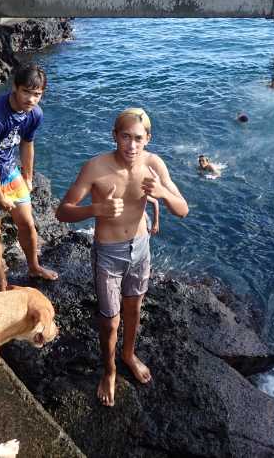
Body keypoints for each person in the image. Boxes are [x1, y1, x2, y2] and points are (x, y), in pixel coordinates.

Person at [55, 108, 188, 406]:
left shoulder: (154, 165)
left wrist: (163, 193)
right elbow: (62, 211)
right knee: (110, 321)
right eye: (125, 137)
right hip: (108, 253)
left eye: (138, 138)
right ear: (114, 135)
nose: (131, 145)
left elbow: (183, 209)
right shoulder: (95, 168)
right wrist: (96, 210)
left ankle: (128, 354)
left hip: (141, 248)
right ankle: (110, 369)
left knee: (134, 308)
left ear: (148, 139)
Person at [0, 63, 58, 291]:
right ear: (15, 87)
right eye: (26, 92)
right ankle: (1, 279)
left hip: (8, 170)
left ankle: (34, 267)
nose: (31, 99)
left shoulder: (34, 114)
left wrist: (27, 177)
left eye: (37, 94)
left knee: (27, 224)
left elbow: (27, 144)